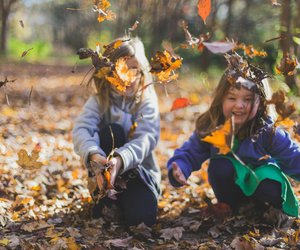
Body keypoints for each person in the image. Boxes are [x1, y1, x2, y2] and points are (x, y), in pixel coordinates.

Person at [167, 52, 300, 219]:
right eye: (232, 98)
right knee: (220, 166)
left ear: (260, 104)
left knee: (270, 181)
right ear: (221, 99)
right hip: (231, 191)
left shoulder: (268, 131)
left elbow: (293, 157)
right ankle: (232, 207)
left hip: (262, 187)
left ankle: (264, 209)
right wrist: (180, 167)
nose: (239, 105)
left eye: (248, 99)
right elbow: (191, 151)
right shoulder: (213, 126)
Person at [73, 37, 161, 226]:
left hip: (139, 176)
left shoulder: (146, 101)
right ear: (107, 72)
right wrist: (94, 155)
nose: (126, 76)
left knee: (141, 221)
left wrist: (120, 161)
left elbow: (146, 138)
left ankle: (132, 203)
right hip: (103, 176)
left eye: (133, 68)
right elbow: (81, 129)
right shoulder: (100, 101)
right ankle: (105, 200)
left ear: (142, 71)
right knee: (112, 131)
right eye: (120, 68)